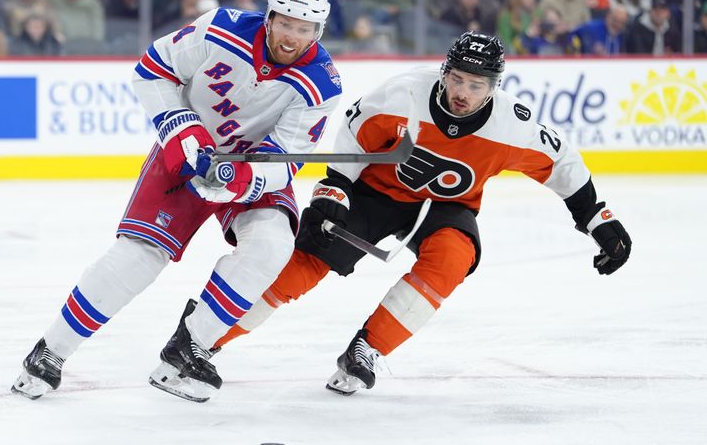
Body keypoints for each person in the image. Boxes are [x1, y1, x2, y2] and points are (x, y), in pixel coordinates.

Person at [211, 31, 632, 396]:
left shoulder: (512, 126)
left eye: (476, 85)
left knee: (453, 258)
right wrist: (335, 188)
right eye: (457, 79)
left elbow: (562, 163)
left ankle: (367, 349)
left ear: (494, 87)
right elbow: (356, 131)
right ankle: (206, 336)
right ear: (444, 72)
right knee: (306, 261)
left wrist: (598, 218)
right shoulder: (403, 94)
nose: (463, 92)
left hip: (446, 208)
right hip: (375, 193)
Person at [11, 0, 341, 402]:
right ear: (270, 18)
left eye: (304, 28)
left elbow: (286, 157)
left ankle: (188, 349)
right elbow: (153, 70)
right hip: (186, 151)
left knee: (272, 245)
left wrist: (242, 176)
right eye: (286, 23)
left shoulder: (322, 82)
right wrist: (185, 131)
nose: (292, 36)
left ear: (318, 31)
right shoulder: (221, 28)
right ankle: (50, 351)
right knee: (139, 256)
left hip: (247, 166)